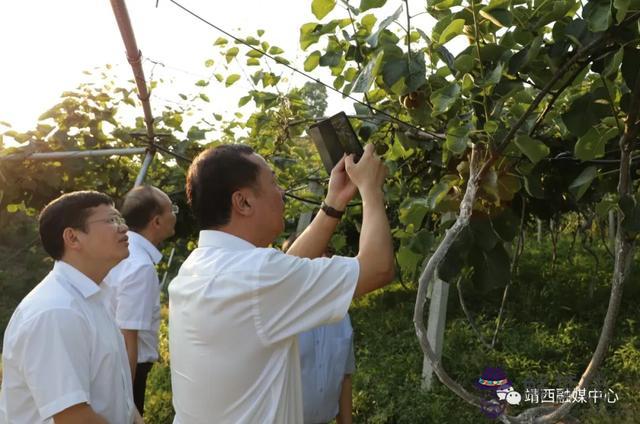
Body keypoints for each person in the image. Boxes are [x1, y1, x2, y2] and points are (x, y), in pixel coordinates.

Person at [169, 143, 394, 423]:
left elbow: (281, 278)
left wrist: (334, 203)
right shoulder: (257, 276)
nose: (282, 192)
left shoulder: (198, 267)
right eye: (274, 183)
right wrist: (371, 189)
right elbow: (378, 268)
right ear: (243, 202)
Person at [0, 191, 142, 424]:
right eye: (111, 220)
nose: (123, 228)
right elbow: (74, 417)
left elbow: (122, 398)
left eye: (120, 219)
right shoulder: (55, 311)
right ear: (73, 238)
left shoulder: (93, 297)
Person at [103, 185, 177, 416]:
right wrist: (127, 401)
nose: (175, 214)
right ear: (156, 221)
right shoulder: (140, 266)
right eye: (171, 209)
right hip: (127, 371)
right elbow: (128, 337)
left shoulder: (122, 252)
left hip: (111, 367)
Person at [282, 236, 355, 424]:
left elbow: (344, 378)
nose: (324, 261)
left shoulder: (342, 316)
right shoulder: (280, 319)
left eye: (327, 254)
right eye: (315, 256)